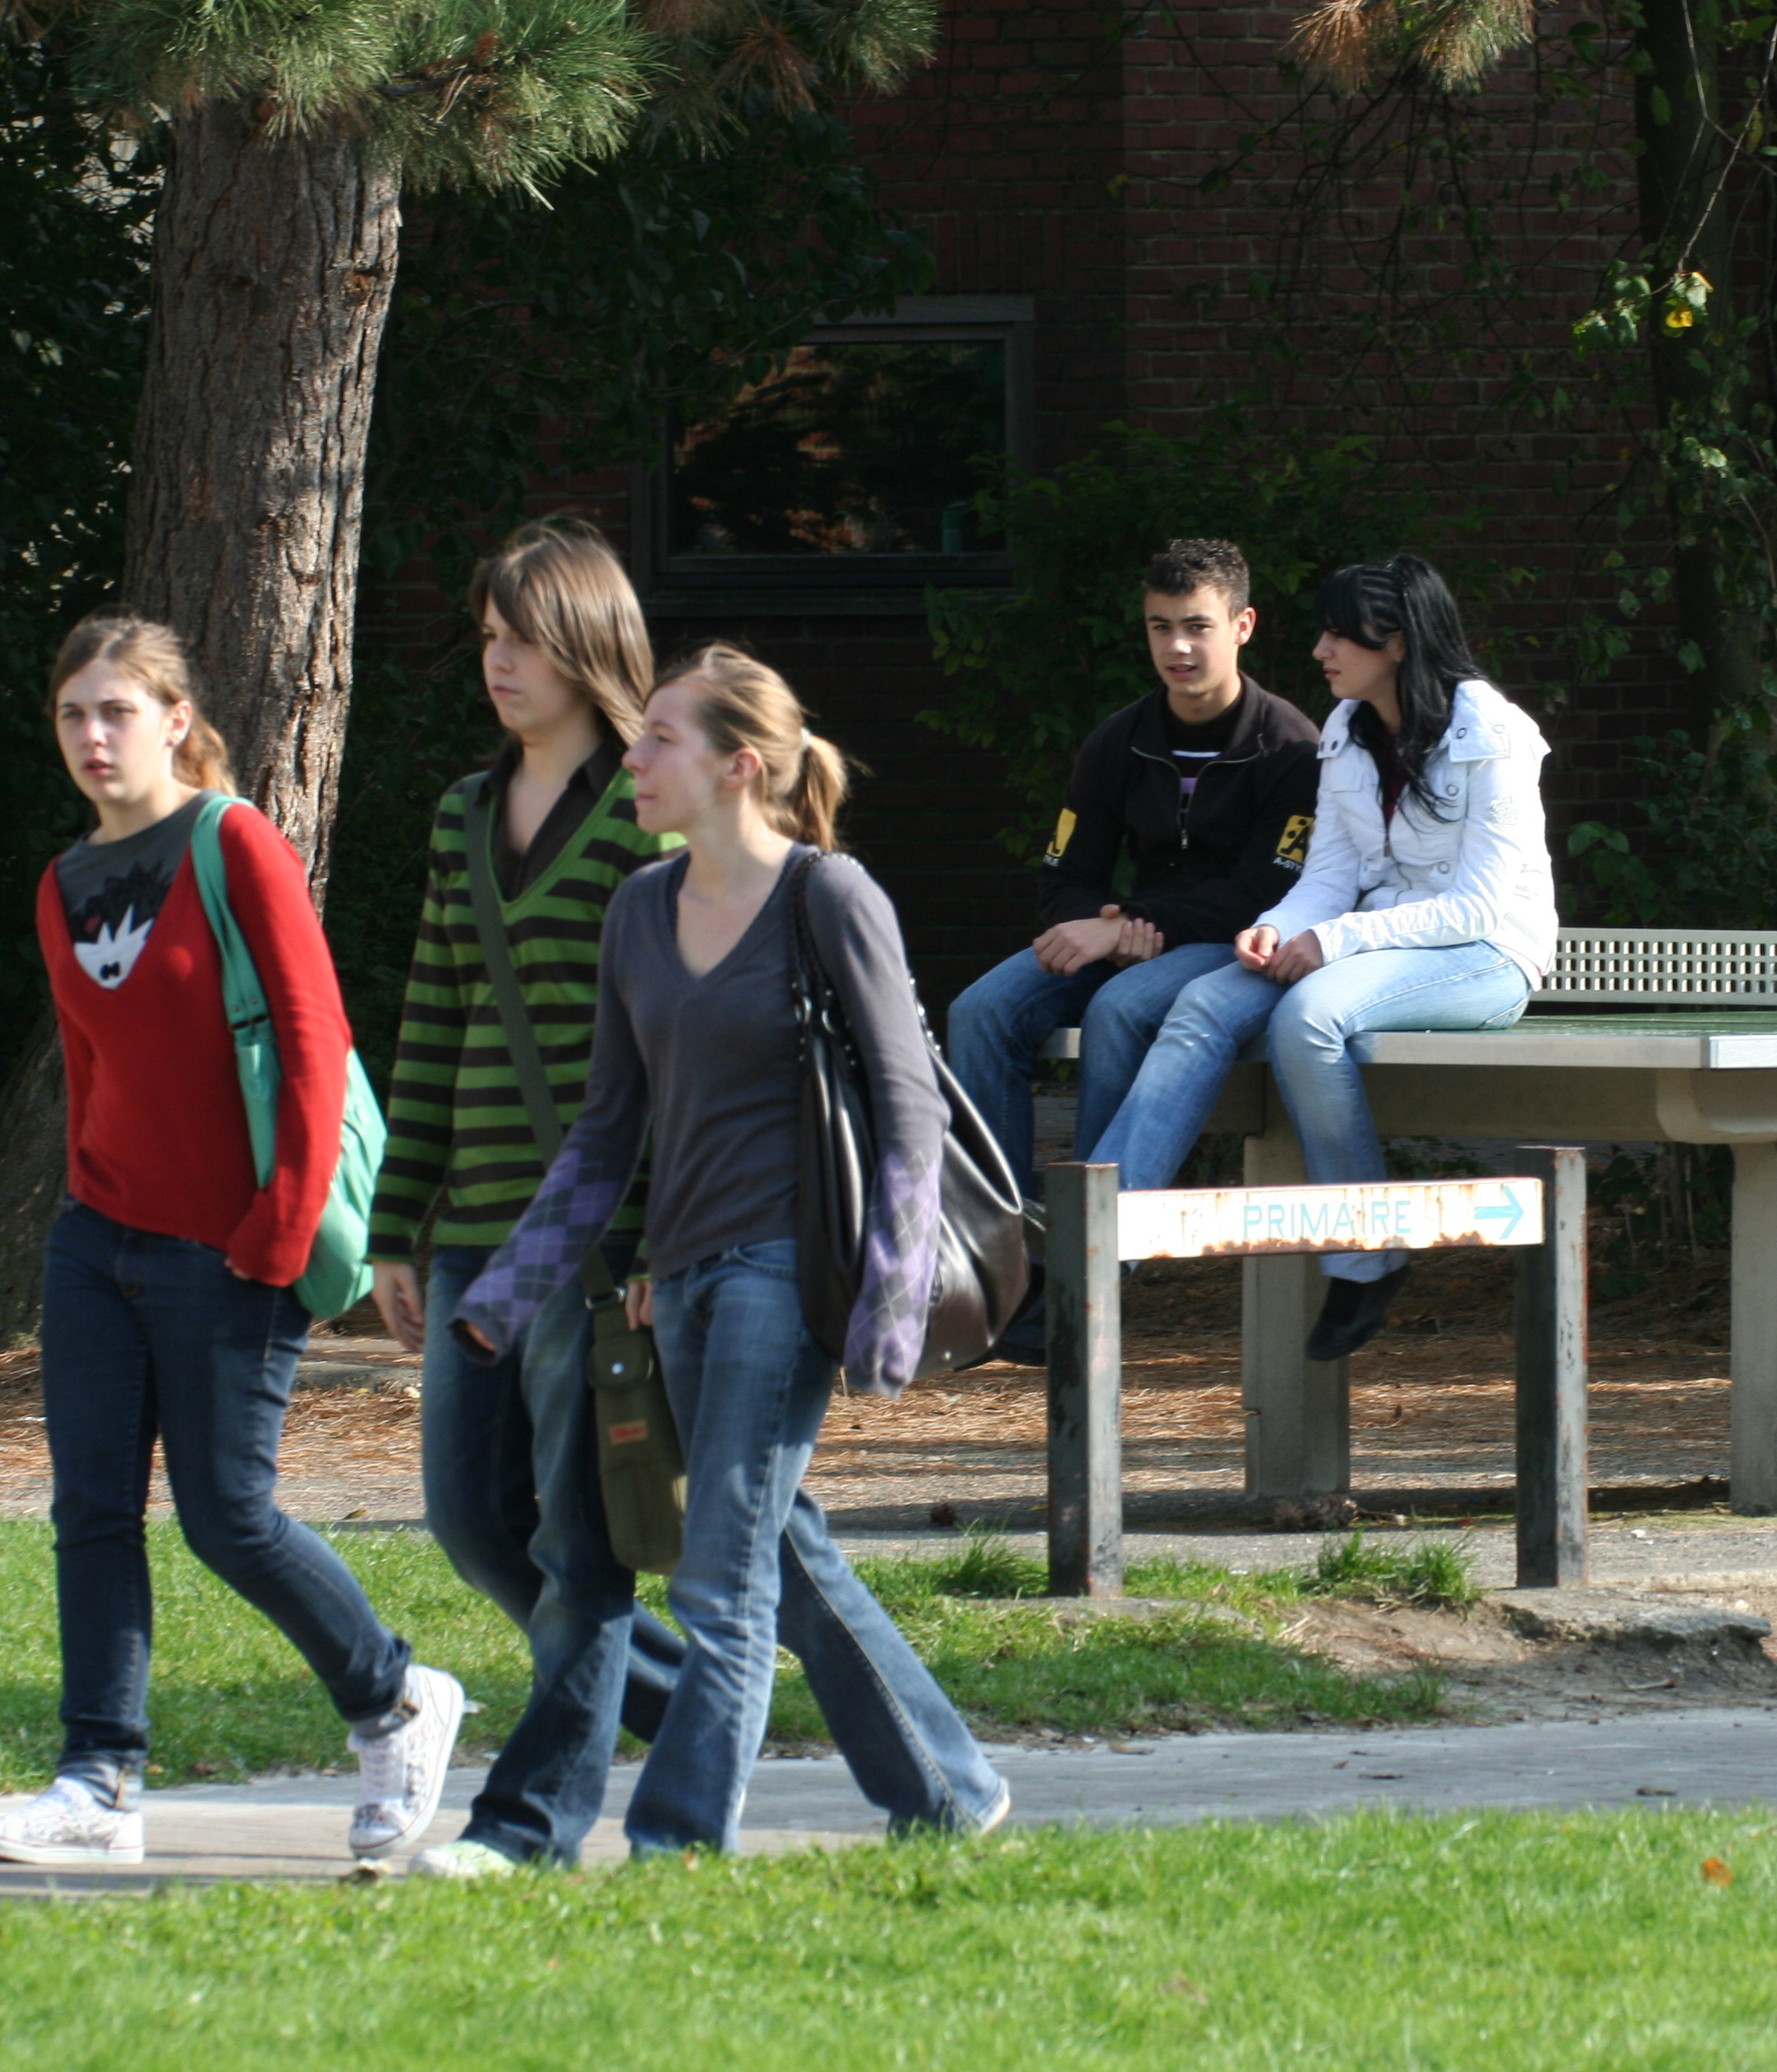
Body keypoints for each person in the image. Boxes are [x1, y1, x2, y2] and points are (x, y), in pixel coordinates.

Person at [444, 645, 1008, 1863]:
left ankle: (677, 1844)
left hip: (784, 1272)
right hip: (682, 1277)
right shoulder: (638, 911)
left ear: (739, 766)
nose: (633, 760)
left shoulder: (829, 896)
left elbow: (908, 1103)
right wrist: (507, 1292)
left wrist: (891, 1299)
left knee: (720, 1579)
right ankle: (949, 1790)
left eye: (660, 739)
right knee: (777, 1549)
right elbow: (607, 1130)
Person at [0, 617, 463, 1869]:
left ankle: (396, 1699)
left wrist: (279, 1228)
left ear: (175, 720)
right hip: (97, 1242)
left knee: (229, 1518)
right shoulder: (63, 884)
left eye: (117, 711)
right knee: (91, 1512)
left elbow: (313, 1035)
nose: (93, 736)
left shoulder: (234, 844)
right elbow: (90, 1065)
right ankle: (96, 1781)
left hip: (231, 1247)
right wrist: (80, 1204)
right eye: (73, 715)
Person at [363, 520, 693, 1874]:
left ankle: (532, 1823)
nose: (498, 662)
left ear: (587, 645)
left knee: (578, 1543)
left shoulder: (646, 809)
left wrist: (649, 1237)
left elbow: (675, 1042)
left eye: (525, 640)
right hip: (472, 1234)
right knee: (469, 1517)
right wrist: (394, 1223)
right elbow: (434, 1015)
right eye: (490, 638)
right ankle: (700, 1711)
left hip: (586, 1232)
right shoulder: (462, 811)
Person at [1087, 553, 1556, 1362]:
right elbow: (1329, 877)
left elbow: (1476, 907)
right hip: (1370, 946)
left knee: (1308, 1016)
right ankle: (1097, 1245)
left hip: (1485, 953)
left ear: (1398, 642)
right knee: (1203, 1002)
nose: (1320, 650)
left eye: (1340, 635)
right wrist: (1276, 927)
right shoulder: (1347, 728)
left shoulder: (1493, 732)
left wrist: (1329, 941)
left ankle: (1367, 1255)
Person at [945, 538, 1321, 1359]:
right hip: (1127, 935)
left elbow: (1266, 890)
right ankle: (1000, 1262)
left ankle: (1084, 1268)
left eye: (1197, 627)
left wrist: (1133, 925)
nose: (1177, 648)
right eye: (1160, 627)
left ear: (1243, 626)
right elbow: (1066, 874)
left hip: (1224, 945)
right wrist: (1106, 925)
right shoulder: (1119, 740)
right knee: (979, 1010)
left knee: (1119, 1009)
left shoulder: (1292, 748)